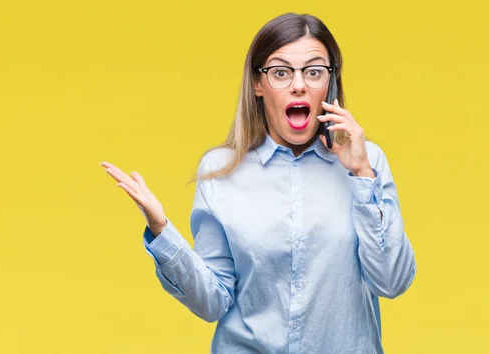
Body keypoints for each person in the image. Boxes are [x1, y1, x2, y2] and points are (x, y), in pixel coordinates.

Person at [100, 12, 415, 354]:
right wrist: (162, 231)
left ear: (331, 82)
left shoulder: (368, 163)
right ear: (257, 84)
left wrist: (363, 176)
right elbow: (213, 301)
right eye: (281, 72)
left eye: (314, 71)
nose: (299, 85)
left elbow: (393, 281)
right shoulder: (221, 170)